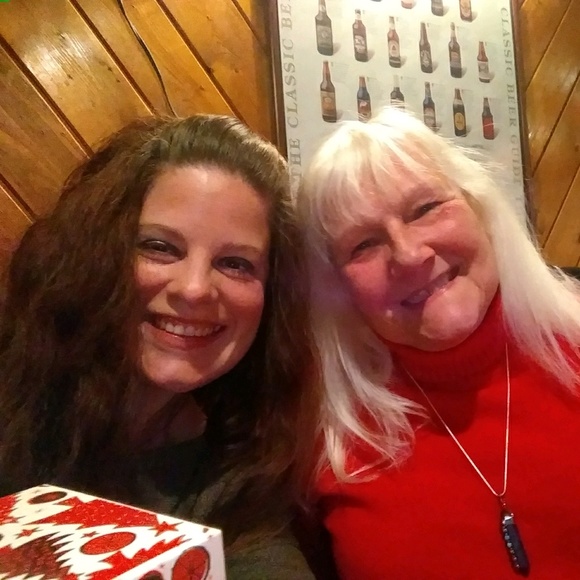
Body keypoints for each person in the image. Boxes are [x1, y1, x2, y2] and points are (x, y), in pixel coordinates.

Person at [0, 114, 316, 578]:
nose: (194, 289)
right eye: (160, 247)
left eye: (235, 263)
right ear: (95, 252)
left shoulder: (240, 463)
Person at [296, 107, 580, 579]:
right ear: (336, 286)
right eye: (363, 245)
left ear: (482, 211)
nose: (409, 255)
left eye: (426, 209)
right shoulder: (319, 435)